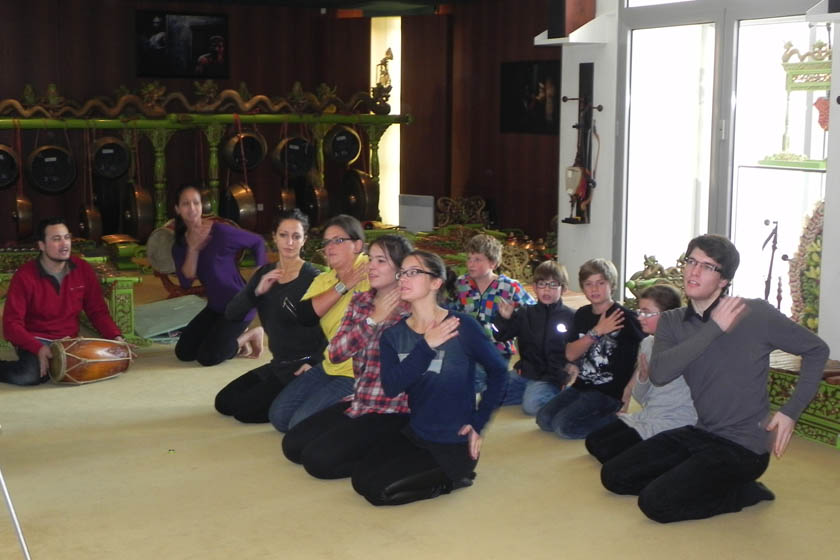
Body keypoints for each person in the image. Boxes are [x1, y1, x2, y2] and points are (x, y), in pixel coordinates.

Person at [600, 234, 830, 523]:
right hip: (699, 432)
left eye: (708, 267)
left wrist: (790, 412)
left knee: (654, 504)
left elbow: (817, 350)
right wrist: (713, 329)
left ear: (724, 281)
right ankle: (692, 479)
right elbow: (659, 374)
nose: (694, 271)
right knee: (614, 476)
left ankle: (746, 492)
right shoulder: (672, 321)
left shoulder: (755, 313)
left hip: (744, 447)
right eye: (691, 261)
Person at [352, 250, 509, 506]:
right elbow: (392, 387)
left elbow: (500, 372)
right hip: (416, 432)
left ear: (436, 282)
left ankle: (454, 480)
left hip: (453, 442)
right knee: (360, 479)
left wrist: (479, 422)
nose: (403, 278)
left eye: (413, 272)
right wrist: (425, 346)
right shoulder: (393, 335)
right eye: (402, 272)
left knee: (380, 493)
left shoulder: (462, 326)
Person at [281, 234, 413, 479]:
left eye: (381, 261)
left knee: (318, 462)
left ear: (400, 268)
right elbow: (337, 352)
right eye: (371, 259)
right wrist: (372, 320)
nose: (371, 266)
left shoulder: (411, 308)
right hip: (359, 399)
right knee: (292, 446)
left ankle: (395, 451)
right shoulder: (361, 301)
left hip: (393, 409)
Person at [214, 209, 326, 423]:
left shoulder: (314, 279)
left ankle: (309, 394)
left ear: (305, 240)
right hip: (279, 364)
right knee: (224, 403)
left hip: (304, 365)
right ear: (274, 237)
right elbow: (232, 313)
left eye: (296, 236)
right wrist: (256, 292)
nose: (289, 243)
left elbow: (332, 328)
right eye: (283, 235)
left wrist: (317, 362)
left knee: (245, 413)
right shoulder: (264, 273)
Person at [268, 214, 369, 432]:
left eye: (338, 240)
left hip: (359, 371)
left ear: (358, 245)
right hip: (330, 364)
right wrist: (343, 285)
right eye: (326, 242)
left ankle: (362, 407)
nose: (330, 247)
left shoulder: (370, 269)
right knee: (279, 416)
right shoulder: (324, 279)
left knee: (299, 424)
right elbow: (305, 316)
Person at [1, 217, 123, 385]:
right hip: (35, 338)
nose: (64, 244)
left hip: (68, 341)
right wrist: (38, 348)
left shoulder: (83, 269)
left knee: (106, 363)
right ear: (41, 245)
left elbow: (97, 311)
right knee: (29, 376)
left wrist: (116, 337)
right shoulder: (24, 276)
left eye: (67, 237)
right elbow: (11, 325)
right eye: (56, 239)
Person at [584, 284, 696, 463]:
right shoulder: (647, 343)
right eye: (639, 311)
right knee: (593, 442)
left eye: (646, 312)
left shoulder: (683, 348)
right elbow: (642, 399)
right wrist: (643, 379)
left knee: (608, 453)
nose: (639, 317)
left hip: (672, 422)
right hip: (648, 415)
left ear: (667, 315)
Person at [536, 258, 644, 439]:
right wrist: (597, 332)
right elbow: (570, 354)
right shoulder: (582, 314)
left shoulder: (626, 317)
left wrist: (629, 388)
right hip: (582, 385)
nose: (594, 289)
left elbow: (649, 350)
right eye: (588, 284)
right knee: (544, 419)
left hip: (609, 392)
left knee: (564, 427)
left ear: (612, 285)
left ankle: (622, 420)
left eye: (601, 283)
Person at [171, 185, 267, 367]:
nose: (192, 208)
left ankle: (251, 334)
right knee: (184, 352)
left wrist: (258, 272)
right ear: (177, 209)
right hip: (215, 307)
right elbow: (185, 282)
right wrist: (193, 248)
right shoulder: (180, 246)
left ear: (202, 206)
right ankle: (227, 336)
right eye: (185, 204)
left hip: (239, 304)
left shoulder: (220, 232)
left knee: (209, 357)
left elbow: (258, 242)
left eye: (196, 203)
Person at [448, 233, 534, 403]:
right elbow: (447, 313)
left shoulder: (510, 287)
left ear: (493, 263)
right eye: (469, 258)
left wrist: (512, 317)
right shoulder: (460, 285)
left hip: (497, 350)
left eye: (477, 259)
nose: (471, 264)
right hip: (466, 349)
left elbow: (532, 315)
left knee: (471, 377)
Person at [492, 260, 576, 415]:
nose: (546, 290)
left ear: (563, 289)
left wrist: (572, 365)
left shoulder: (571, 316)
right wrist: (504, 318)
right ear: (535, 287)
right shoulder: (525, 313)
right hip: (524, 372)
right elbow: (500, 336)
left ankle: (564, 394)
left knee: (531, 407)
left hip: (551, 377)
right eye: (542, 284)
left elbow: (579, 347)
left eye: (553, 285)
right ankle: (530, 392)